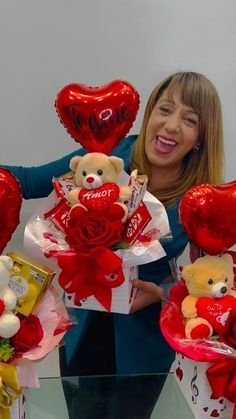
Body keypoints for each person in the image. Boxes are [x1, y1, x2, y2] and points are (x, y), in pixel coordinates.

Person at [2, 71, 224, 418]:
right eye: (165, 110)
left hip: (143, 348)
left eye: (189, 119)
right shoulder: (109, 154)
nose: (171, 126)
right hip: (83, 331)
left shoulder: (202, 199)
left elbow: (212, 285)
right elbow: (25, 180)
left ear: (200, 137)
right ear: (150, 113)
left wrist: (161, 293)